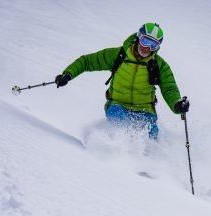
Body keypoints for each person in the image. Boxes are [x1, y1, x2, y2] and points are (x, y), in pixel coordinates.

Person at [55, 23, 190, 139]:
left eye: (153, 44)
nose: (147, 47)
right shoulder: (118, 55)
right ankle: (114, 156)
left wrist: (177, 105)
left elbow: (169, 88)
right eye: (145, 41)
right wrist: (68, 74)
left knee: (151, 134)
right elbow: (87, 61)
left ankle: (150, 163)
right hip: (117, 104)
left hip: (145, 109)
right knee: (123, 126)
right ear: (138, 37)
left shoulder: (159, 65)